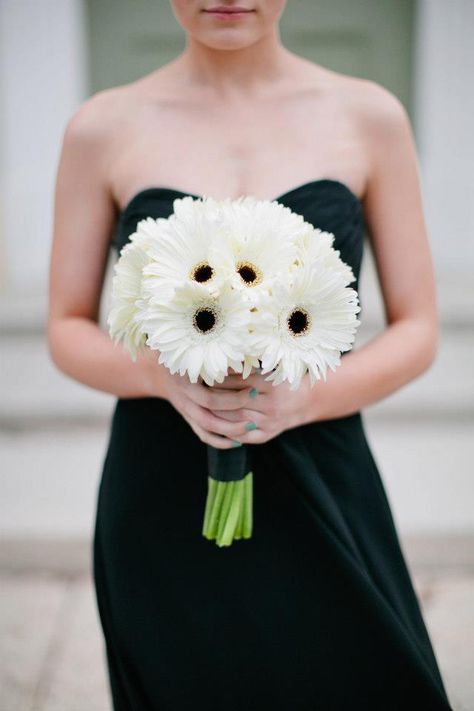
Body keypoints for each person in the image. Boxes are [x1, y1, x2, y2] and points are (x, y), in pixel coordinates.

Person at [47, 1, 453, 709]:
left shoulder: (369, 116)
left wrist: (301, 398)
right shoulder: (101, 128)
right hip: (161, 488)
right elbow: (66, 326)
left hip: (324, 472)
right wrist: (163, 377)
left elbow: (419, 327)